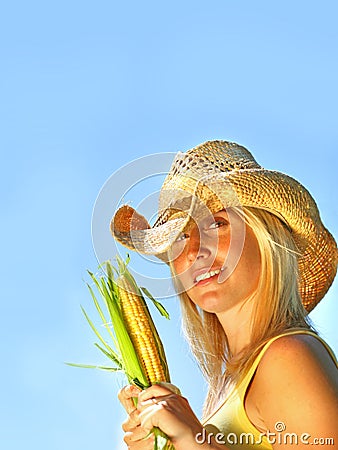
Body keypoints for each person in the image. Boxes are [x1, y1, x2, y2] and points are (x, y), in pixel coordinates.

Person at [111, 140, 338, 449]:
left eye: (216, 224)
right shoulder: (226, 387)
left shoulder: (287, 357)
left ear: (266, 238)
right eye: (180, 237)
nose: (193, 253)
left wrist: (192, 439)